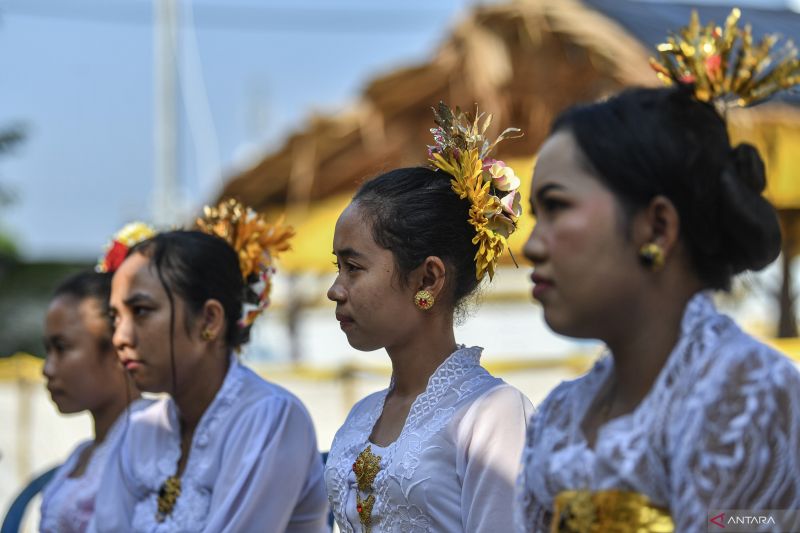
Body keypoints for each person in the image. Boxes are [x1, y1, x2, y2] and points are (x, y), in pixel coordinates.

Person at [515, 12, 800, 532]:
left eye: (556, 208)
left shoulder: (746, 391)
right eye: (535, 216)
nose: (532, 247)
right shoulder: (560, 415)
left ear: (657, 225)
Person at [325, 103, 533, 532]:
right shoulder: (362, 416)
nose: (335, 289)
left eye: (354, 267)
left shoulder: (491, 414)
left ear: (429, 278)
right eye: (337, 268)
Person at [89, 201, 329, 532]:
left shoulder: (269, 417)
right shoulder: (139, 428)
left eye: (141, 311)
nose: (120, 336)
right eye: (115, 317)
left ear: (209, 319)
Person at [40, 269, 146, 533]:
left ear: (118, 349)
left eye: (62, 348)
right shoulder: (82, 454)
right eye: (47, 350)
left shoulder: (152, 447)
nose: (48, 369)